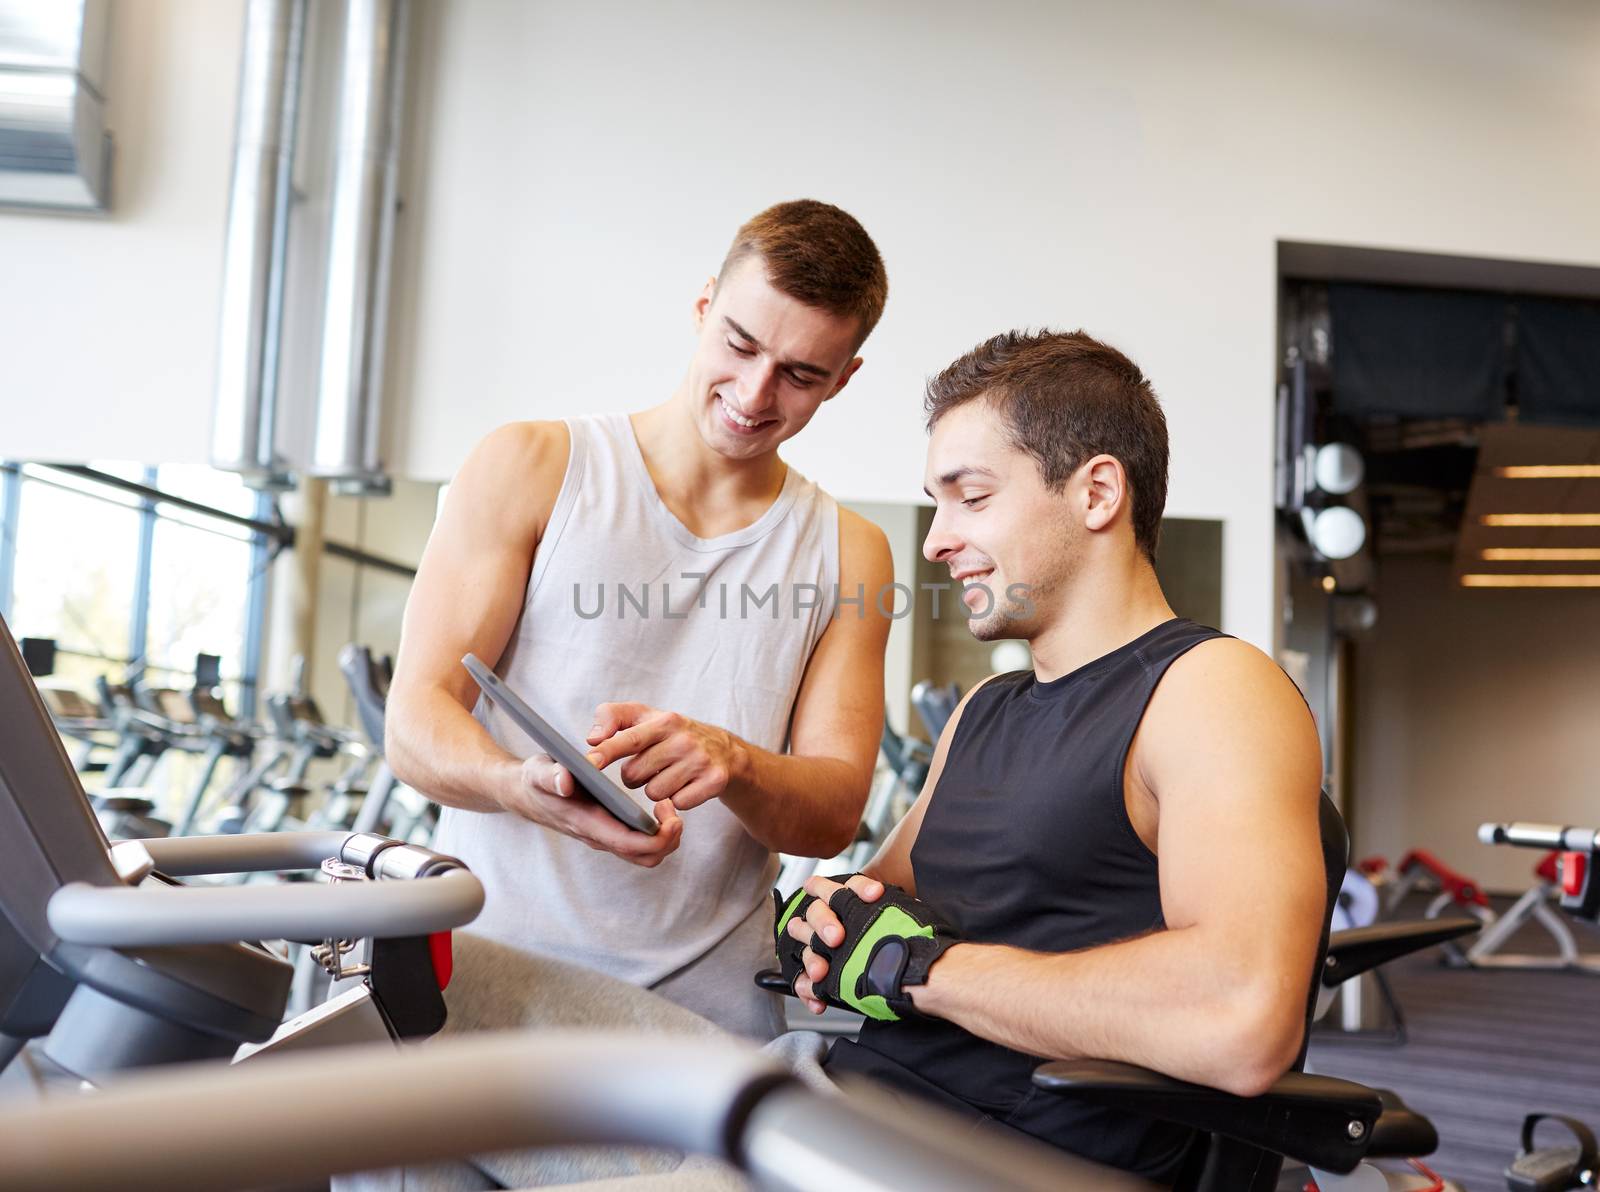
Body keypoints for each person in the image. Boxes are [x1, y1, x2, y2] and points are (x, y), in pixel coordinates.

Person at [776, 328, 1329, 1182]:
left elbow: (1242, 1016)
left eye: (971, 497)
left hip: (992, 1161)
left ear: (1097, 492)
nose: (936, 540)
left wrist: (921, 970)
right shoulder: (983, 709)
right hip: (845, 1113)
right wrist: (818, 921)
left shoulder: (1212, 690)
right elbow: (872, 901)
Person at [385, 199, 894, 1039]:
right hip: (489, 984)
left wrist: (733, 763)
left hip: (705, 1017)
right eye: (739, 344)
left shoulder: (850, 550)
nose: (755, 393)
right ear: (703, 307)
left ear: (844, 378)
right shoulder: (534, 464)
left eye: (802, 374)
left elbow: (835, 808)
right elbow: (415, 722)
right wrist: (522, 787)